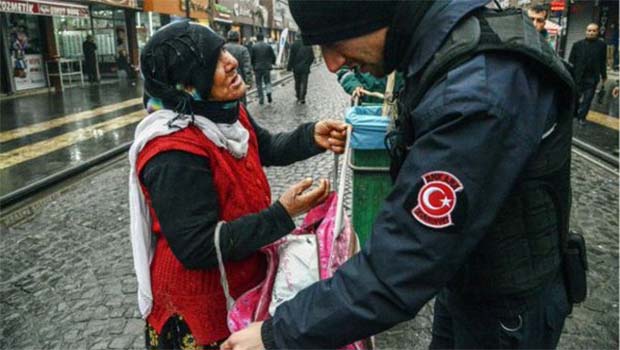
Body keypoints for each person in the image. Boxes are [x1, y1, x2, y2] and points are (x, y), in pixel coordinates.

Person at [223, 1, 576, 349]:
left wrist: (278, 333)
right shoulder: (447, 52)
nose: (332, 64)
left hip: (503, 313)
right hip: (468, 282)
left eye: (334, 42)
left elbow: (406, 259)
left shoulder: (477, 92)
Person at [128, 21, 347, 350]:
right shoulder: (173, 152)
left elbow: (265, 146)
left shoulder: (225, 112)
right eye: (213, 61)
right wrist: (282, 214)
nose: (231, 61)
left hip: (242, 285)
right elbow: (199, 246)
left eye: (223, 51)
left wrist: (310, 136)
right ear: (187, 86)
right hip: (200, 311)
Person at [569, 23, 608, 126]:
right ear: (586, 31)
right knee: (575, 98)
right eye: (589, 30)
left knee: (587, 99)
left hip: (592, 78)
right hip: (578, 77)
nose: (591, 33)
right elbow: (571, 61)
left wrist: (604, 76)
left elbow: (602, 61)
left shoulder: (602, 46)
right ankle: (573, 114)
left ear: (597, 32)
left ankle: (582, 117)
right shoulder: (577, 45)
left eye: (594, 31)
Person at [337, 65, 404, 104]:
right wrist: (354, 85)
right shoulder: (356, 43)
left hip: (397, 105)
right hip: (365, 104)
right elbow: (343, 70)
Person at [225, 30, 254, 104]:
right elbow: (247, 66)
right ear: (238, 38)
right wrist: (249, 81)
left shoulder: (223, 49)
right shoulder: (243, 49)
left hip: (225, 80)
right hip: (239, 80)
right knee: (241, 102)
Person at [287, 34, 315, 104]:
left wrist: (289, 67)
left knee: (297, 82)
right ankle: (302, 97)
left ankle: (298, 95)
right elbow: (312, 57)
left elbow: (291, 57)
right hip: (305, 67)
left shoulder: (294, 45)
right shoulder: (308, 45)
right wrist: (308, 64)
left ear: (296, 37)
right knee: (304, 83)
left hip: (296, 68)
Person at [250, 33, 276, 105]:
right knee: (267, 82)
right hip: (267, 67)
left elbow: (252, 58)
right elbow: (273, 55)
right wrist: (273, 62)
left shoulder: (254, 47)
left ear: (257, 38)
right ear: (263, 38)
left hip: (257, 68)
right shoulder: (268, 46)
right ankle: (269, 94)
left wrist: (252, 65)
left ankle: (261, 99)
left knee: (259, 84)